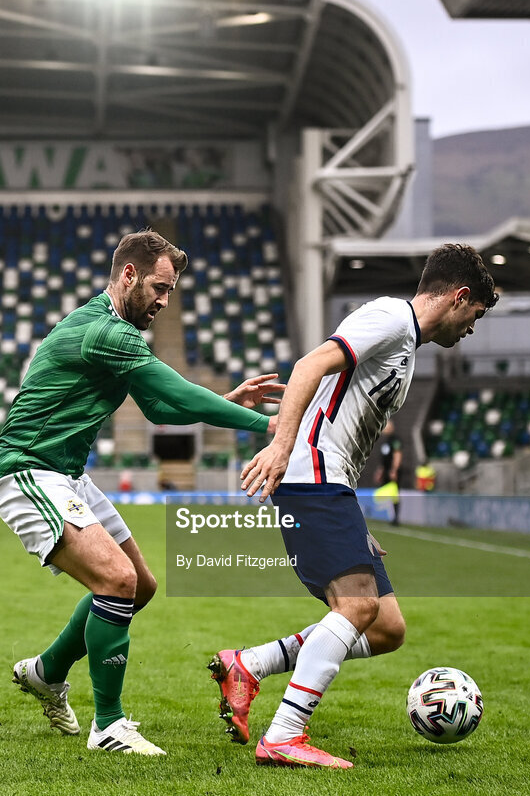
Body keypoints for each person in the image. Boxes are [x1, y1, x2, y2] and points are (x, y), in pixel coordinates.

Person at [0, 230, 283, 757]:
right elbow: (173, 392)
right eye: (160, 287)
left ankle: (45, 672)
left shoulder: (117, 332)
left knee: (139, 586)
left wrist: (221, 401)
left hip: (68, 475)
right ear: (128, 274)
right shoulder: (102, 330)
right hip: (27, 471)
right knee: (116, 580)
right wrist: (270, 426)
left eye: (170, 292)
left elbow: (162, 410)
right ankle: (109, 726)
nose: (165, 302)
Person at [210, 243, 497, 770]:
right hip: (311, 475)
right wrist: (280, 447)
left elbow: (337, 403)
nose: (472, 328)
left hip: (331, 484)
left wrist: (355, 520)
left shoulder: (404, 346)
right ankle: (285, 735)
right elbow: (310, 364)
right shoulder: (390, 317)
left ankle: (249, 664)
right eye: (476, 315)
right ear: (459, 297)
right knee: (357, 608)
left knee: (386, 628)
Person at [374, 419, 403, 525]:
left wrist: (394, 470)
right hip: (386, 471)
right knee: (385, 494)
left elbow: (397, 455)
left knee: (394, 495)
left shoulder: (395, 440)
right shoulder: (385, 442)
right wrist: (380, 471)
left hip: (392, 471)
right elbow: (384, 459)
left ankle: (395, 518)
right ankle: (386, 515)